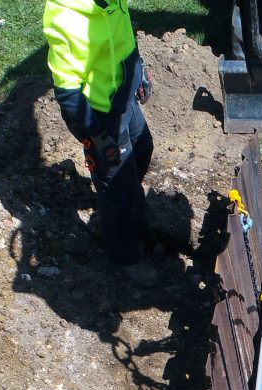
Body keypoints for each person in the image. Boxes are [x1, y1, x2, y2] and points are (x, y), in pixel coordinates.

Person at [44, 0, 155, 275]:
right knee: (116, 186)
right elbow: (68, 94)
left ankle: (131, 213)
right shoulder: (67, 18)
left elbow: (124, 34)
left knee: (142, 148)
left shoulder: (110, 2)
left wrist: (137, 70)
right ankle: (124, 258)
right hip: (101, 115)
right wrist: (97, 135)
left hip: (123, 98)